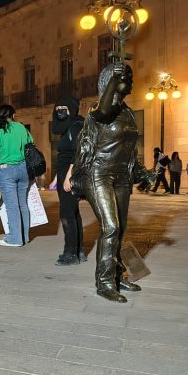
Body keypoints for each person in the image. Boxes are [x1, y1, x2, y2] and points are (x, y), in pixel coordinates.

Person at [71, 63, 143, 303]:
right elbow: (104, 110)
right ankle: (104, 283)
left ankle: (117, 275)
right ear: (110, 80)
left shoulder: (128, 112)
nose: (130, 80)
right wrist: (114, 79)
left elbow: (130, 149)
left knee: (120, 228)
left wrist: (143, 172)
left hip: (122, 176)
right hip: (98, 174)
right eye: (126, 76)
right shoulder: (98, 110)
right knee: (110, 227)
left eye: (130, 76)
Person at [0, 104, 33, 247]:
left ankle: (15, 239)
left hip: (6, 171)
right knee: (22, 203)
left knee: (12, 205)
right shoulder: (21, 128)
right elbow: (31, 144)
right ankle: (24, 236)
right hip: (23, 169)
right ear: (14, 115)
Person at [49, 96, 86, 265]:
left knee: (67, 214)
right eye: (58, 108)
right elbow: (64, 156)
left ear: (72, 108)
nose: (60, 111)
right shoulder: (69, 127)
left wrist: (69, 176)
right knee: (73, 212)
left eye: (64, 107)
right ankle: (78, 251)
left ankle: (70, 253)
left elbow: (78, 153)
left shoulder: (77, 126)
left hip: (71, 174)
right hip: (65, 173)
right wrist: (57, 177)